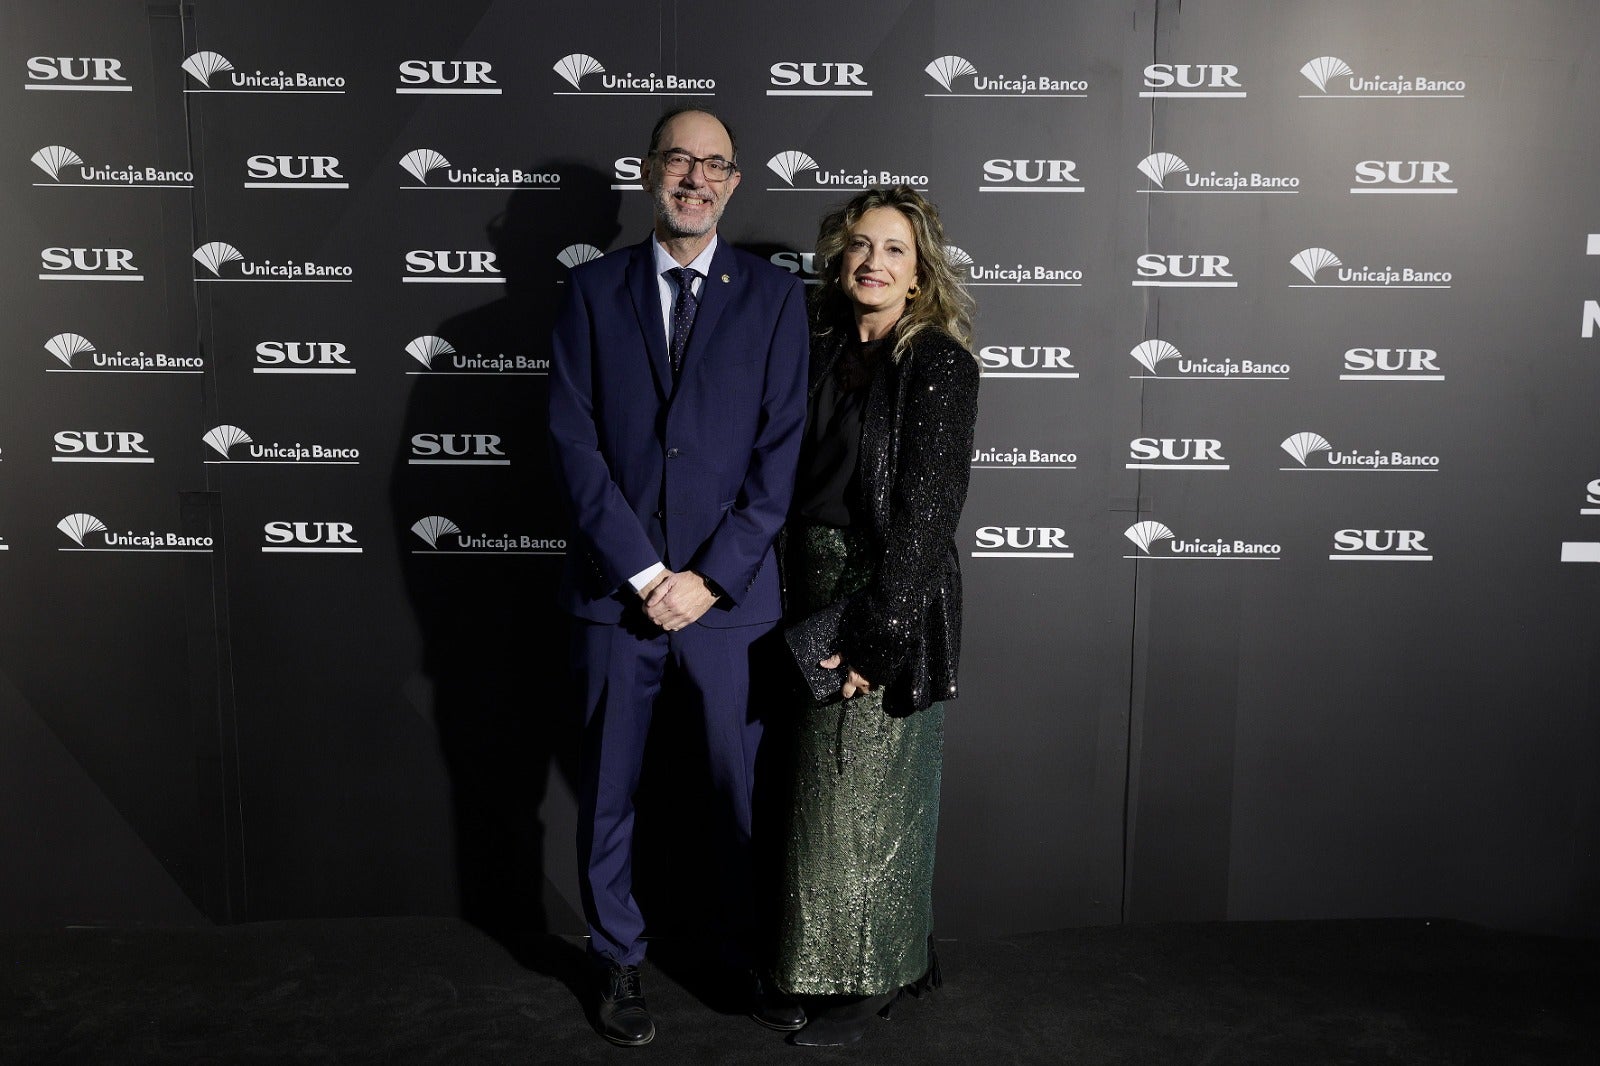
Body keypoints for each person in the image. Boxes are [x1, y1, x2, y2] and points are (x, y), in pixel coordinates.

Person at [548, 107, 810, 1047]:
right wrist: (649, 571)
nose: (694, 178)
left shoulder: (777, 300)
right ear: (649, 171)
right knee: (608, 789)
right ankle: (616, 957)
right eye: (678, 161)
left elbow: (779, 460)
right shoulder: (590, 292)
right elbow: (574, 447)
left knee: (736, 789)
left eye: (714, 165)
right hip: (615, 599)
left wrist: (708, 578)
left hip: (729, 604)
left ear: (734, 182)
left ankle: (743, 951)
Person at [775, 186, 980, 1045]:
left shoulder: (935, 362)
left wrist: (880, 635)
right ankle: (832, 960)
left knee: (868, 796)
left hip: (879, 594)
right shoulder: (820, 348)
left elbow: (929, 519)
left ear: (921, 269)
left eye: (895, 250)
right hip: (807, 586)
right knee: (822, 796)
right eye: (861, 245)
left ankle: (868, 981)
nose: (874, 263)